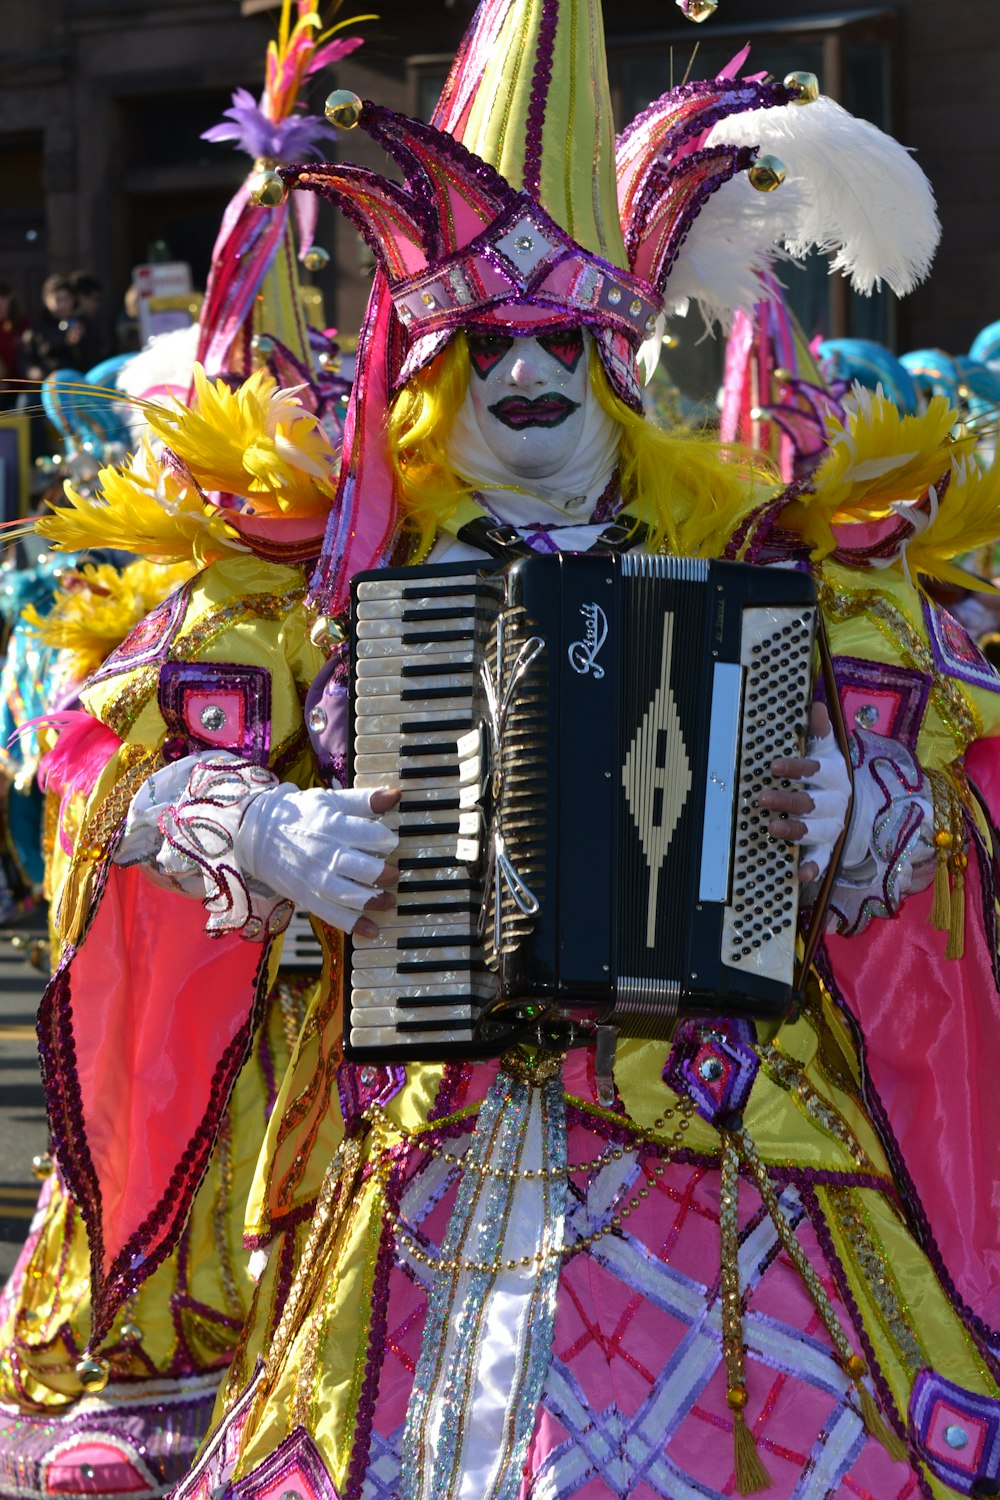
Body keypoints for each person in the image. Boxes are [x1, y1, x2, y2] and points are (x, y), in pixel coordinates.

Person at [25, 3, 1000, 1498]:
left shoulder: (754, 553)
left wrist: (850, 822)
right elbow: (102, 761)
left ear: (614, 348)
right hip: (433, 1106)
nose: (523, 374)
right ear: (431, 355)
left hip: (720, 1098)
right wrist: (263, 832)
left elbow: (942, 781)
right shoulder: (341, 564)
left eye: (557, 340)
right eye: (485, 340)